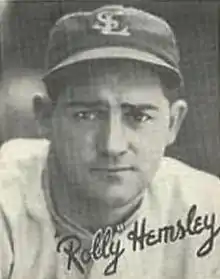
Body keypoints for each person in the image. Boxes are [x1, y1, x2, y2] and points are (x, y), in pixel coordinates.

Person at [0, 5, 220, 279]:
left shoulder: (210, 211)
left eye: (138, 116)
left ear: (173, 123)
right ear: (45, 118)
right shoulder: (6, 202)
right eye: (87, 115)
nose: (112, 145)